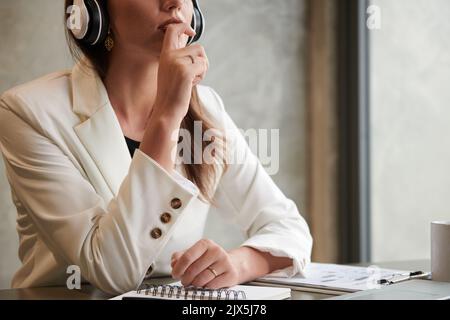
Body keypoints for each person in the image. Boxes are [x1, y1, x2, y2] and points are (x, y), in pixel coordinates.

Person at [0, 0, 312, 295]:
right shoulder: (29, 111)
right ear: (93, 8)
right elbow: (112, 271)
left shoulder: (207, 108)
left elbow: (289, 228)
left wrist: (237, 263)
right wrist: (166, 115)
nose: (175, 2)